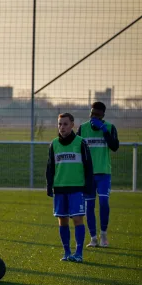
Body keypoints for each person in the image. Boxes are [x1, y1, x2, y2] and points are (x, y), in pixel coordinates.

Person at [46, 113, 94, 263]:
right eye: (60, 124)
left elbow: (88, 166)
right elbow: (50, 167)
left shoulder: (81, 143)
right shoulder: (54, 144)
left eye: (65, 124)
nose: (62, 127)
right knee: (62, 221)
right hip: (60, 188)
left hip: (76, 188)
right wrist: (49, 185)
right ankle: (67, 252)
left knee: (78, 219)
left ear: (72, 125)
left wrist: (88, 186)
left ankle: (78, 253)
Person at [77, 101, 120, 248]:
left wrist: (104, 131)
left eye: (97, 115)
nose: (94, 117)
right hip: (88, 175)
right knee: (89, 205)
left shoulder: (109, 128)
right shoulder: (82, 129)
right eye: (92, 114)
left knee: (103, 203)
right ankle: (93, 238)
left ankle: (103, 235)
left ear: (102, 116)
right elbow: (76, 149)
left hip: (103, 173)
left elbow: (114, 147)